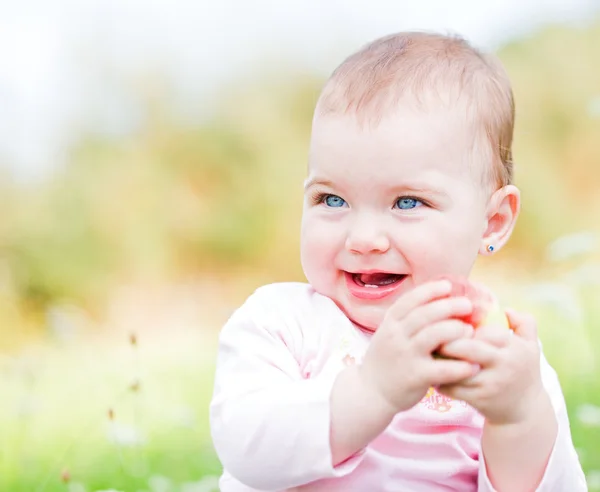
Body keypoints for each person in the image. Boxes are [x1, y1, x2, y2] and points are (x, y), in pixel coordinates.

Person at [209, 31, 587, 491]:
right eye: (331, 198)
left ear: (492, 222)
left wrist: (519, 416)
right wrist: (374, 390)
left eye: (407, 203)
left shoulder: (498, 356)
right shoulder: (280, 323)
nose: (364, 238)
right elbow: (247, 448)